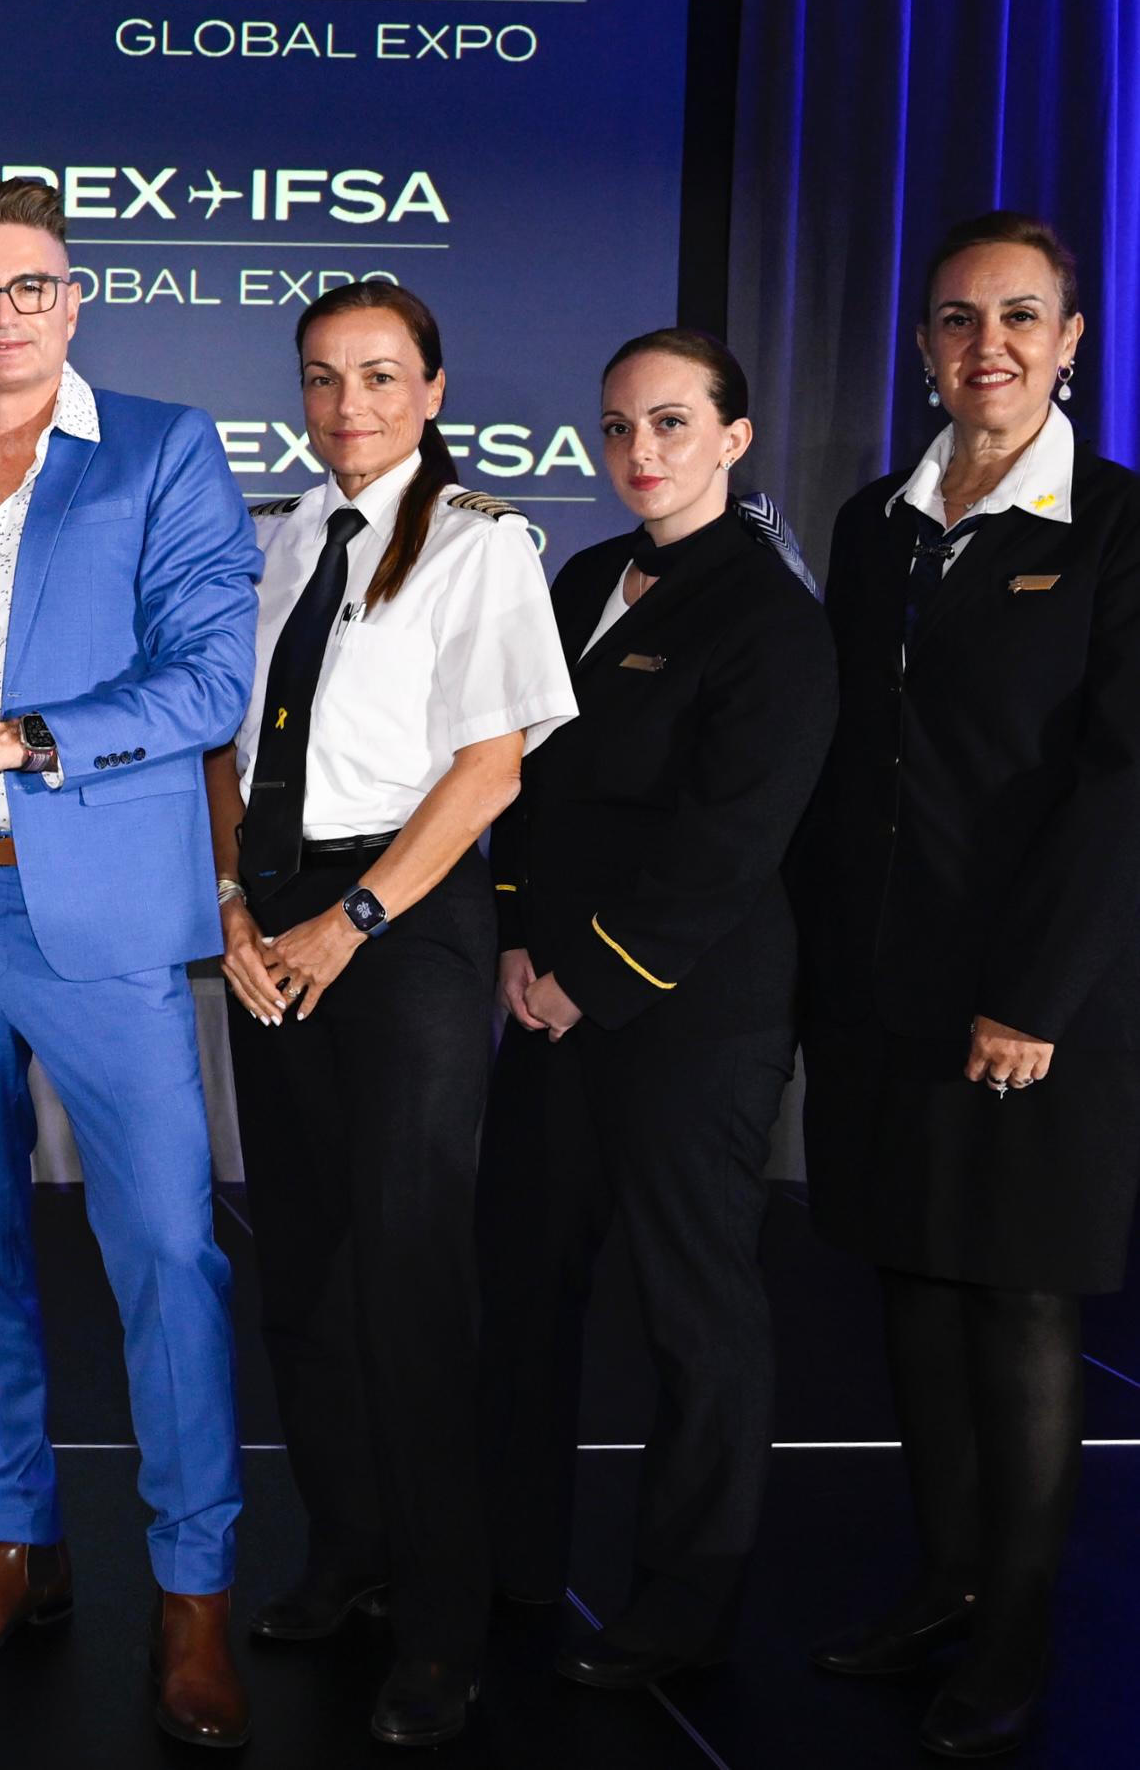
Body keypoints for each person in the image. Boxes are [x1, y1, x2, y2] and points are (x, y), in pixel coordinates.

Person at [0, 179, 260, 1749]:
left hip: (92, 917)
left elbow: (210, 679)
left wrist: (18, 738)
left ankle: (195, 1593)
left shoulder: (162, 451)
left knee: (164, 1252)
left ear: (72, 300)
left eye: (28, 286)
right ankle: (13, 1545)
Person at [205, 280, 573, 1748]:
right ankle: (347, 1553)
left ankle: (441, 1621)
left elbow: (491, 767)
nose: (346, 406)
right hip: (274, 924)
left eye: (377, 377)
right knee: (302, 1268)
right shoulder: (287, 535)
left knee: (412, 1278)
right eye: (319, 378)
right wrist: (236, 910)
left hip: (397, 927)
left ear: (432, 387)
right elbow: (227, 752)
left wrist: (347, 925)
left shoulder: (483, 545)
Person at [797, 212, 1140, 1760]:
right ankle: (942, 1589)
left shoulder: (1121, 530)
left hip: (1034, 1006)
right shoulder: (876, 521)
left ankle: (1013, 1633)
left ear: (1070, 339)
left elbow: (1119, 791)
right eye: (953, 320)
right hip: (883, 991)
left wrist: (1032, 996)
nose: (982, 347)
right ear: (922, 345)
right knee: (912, 1290)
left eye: (1017, 317)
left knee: (1012, 1298)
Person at [476, 329, 835, 1688]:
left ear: (732, 440)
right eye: (619, 427)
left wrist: (588, 977)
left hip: (690, 1016)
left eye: (672, 426)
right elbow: (513, 780)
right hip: (545, 994)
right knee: (520, 1289)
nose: (639, 453)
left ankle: (685, 1596)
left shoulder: (769, 615)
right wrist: (516, 945)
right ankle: (510, 1560)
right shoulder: (575, 581)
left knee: (692, 1311)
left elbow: (732, 841)